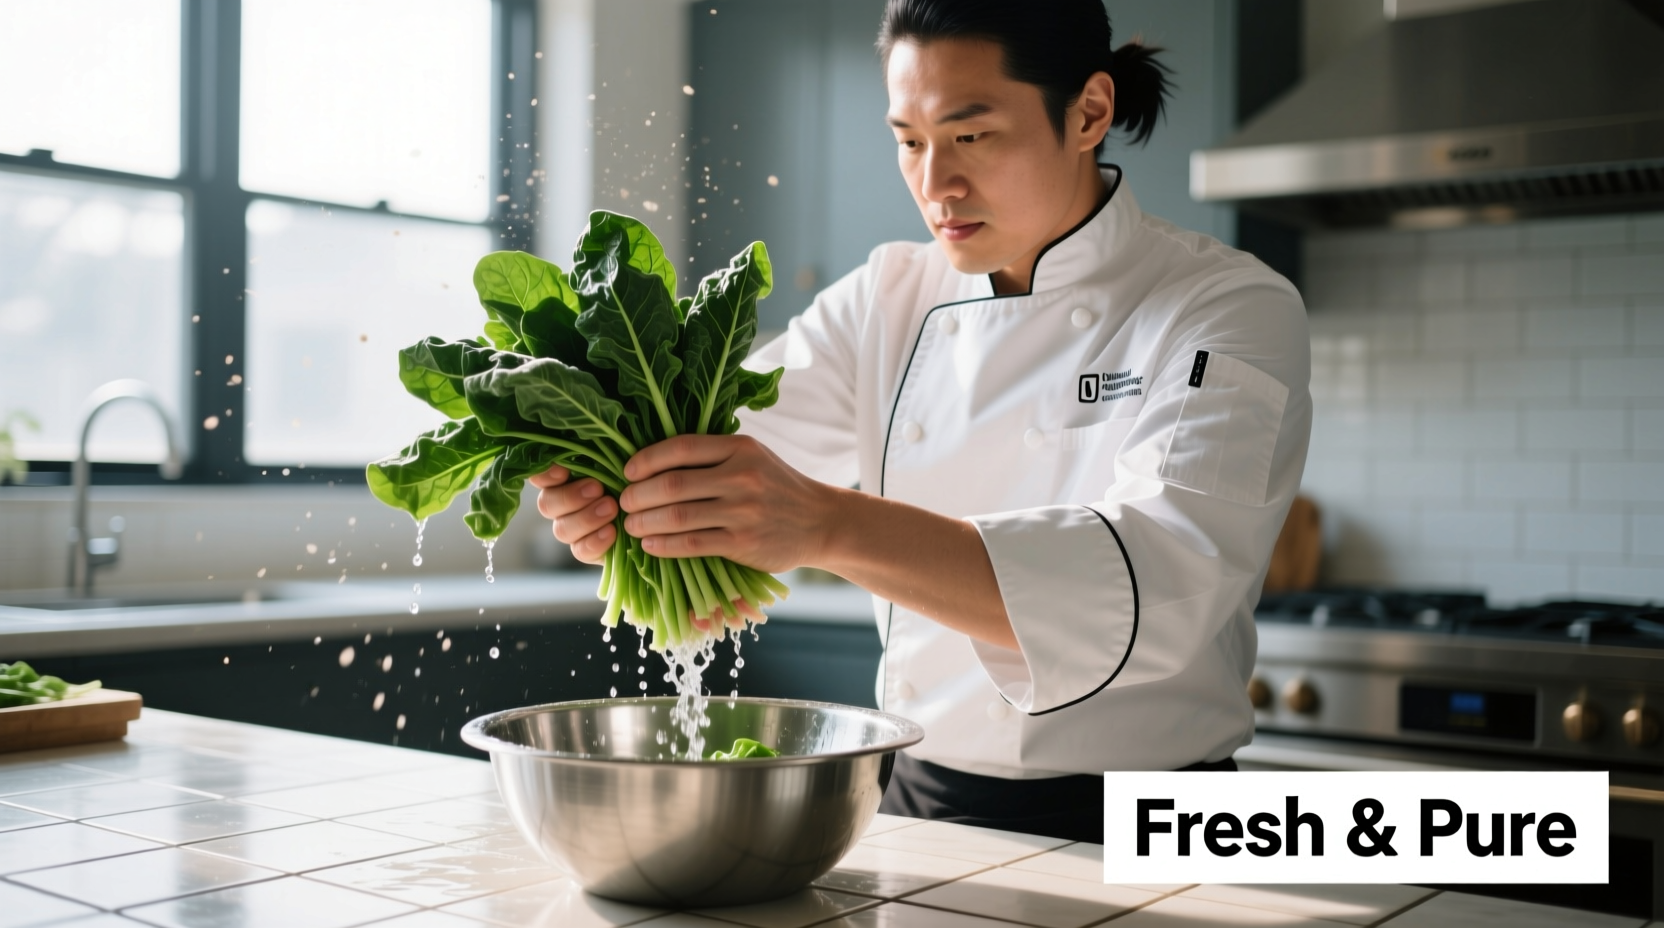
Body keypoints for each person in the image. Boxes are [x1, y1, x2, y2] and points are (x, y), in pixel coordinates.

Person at [531, 0, 1310, 844]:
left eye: (970, 136)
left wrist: (827, 525)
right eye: (909, 140)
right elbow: (718, 451)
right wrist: (631, 503)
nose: (936, 184)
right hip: (917, 807)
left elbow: (1162, 588)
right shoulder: (887, 297)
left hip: (1150, 826)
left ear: (1088, 112)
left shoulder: (1227, 305)